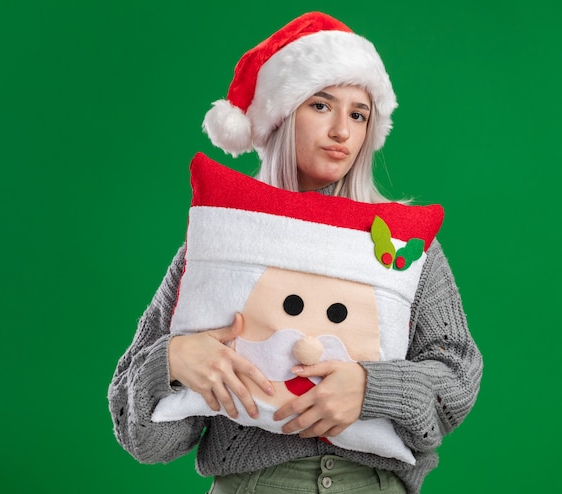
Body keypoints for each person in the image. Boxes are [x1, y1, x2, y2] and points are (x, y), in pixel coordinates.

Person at [108, 11, 482, 494]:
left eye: (358, 113)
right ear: (282, 113)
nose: (342, 132)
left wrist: (371, 389)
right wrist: (174, 361)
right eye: (322, 105)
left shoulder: (401, 244)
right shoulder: (222, 239)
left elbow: (457, 374)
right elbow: (139, 433)